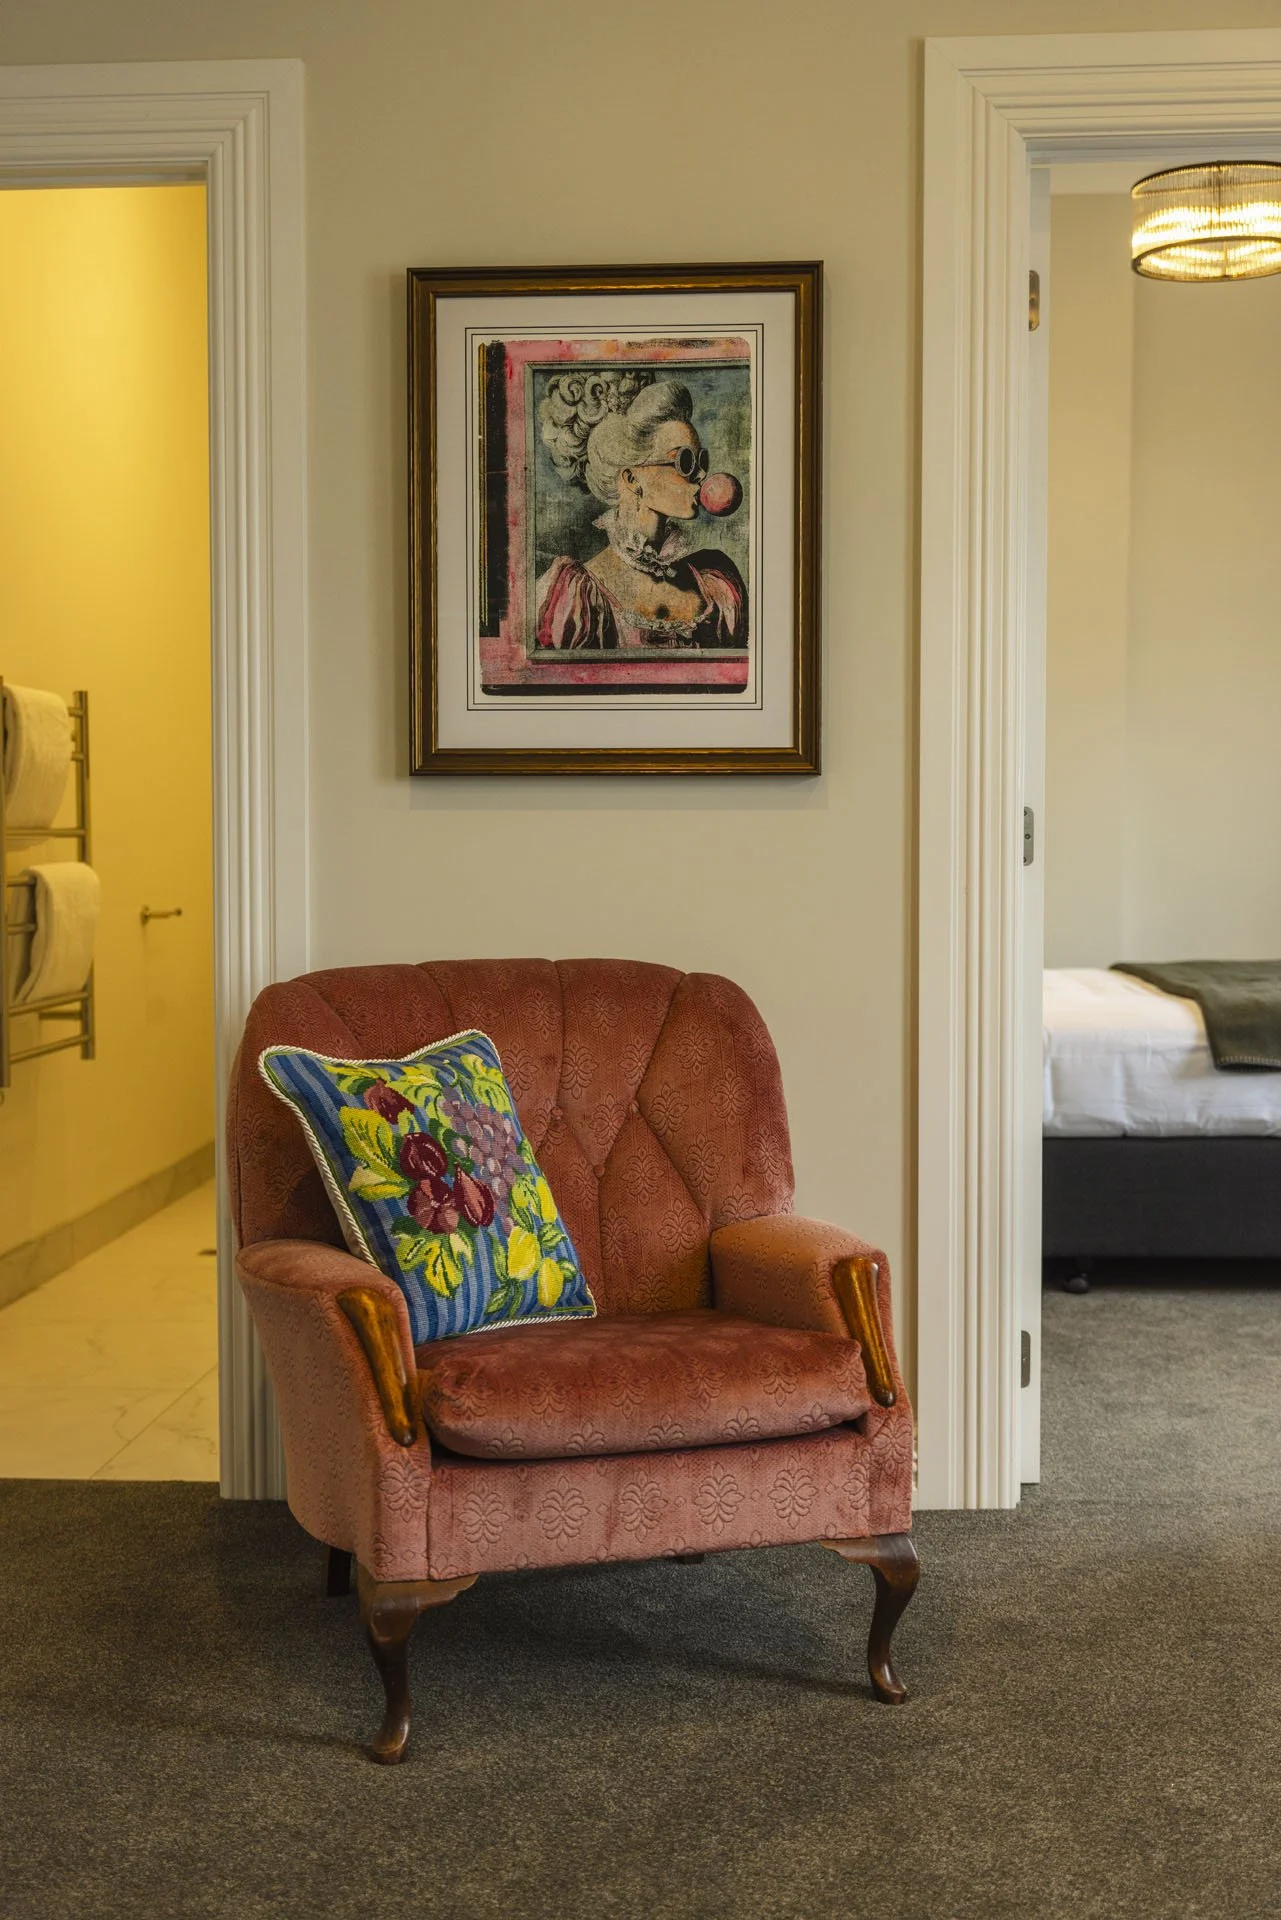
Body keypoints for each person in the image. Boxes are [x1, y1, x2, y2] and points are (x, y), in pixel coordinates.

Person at [534, 373, 746, 652]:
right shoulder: (576, 593)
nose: (701, 475)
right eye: (684, 461)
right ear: (632, 479)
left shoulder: (715, 582)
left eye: (701, 460)